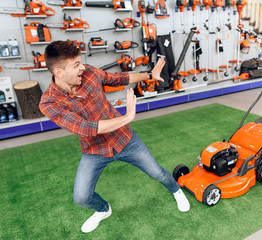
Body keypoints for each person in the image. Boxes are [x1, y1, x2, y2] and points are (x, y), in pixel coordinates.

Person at [39, 41, 190, 233]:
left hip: (124, 139)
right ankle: (103, 210)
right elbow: (84, 127)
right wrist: (127, 117)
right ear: (59, 72)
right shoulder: (49, 102)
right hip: (94, 150)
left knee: (158, 173)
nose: (82, 67)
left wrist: (149, 75)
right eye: (76, 65)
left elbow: (117, 78)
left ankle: (175, 190)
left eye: (81, 62)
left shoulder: (90, 74)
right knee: (81, 197)